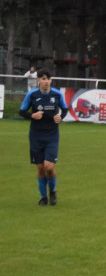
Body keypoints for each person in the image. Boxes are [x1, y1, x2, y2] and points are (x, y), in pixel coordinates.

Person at [19, 70, 68, 206]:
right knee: (40, 168)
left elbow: (64, 109)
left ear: (51, 81)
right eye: (43, 79)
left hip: (52, 135)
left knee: (49, 167)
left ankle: (52, 191)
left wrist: (61, 117)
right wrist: (31, 116)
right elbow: (22, 111)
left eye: (48, 79)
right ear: (38, 80)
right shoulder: (32, 95)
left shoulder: (57, 94)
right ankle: (43, 197)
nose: (46, 82)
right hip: (36, 135)